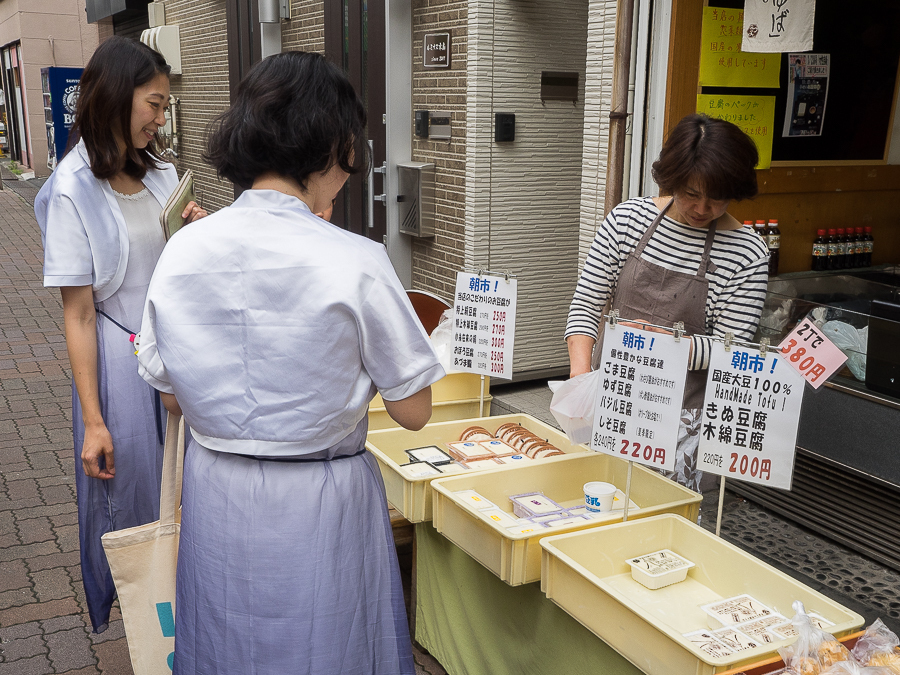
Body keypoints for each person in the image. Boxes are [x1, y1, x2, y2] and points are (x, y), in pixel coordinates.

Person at [136, 51, 444, 674]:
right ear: (331, 145)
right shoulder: (356, 259)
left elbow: (170, 394)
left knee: (227, 645)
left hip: (217, 485)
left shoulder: (182, 250)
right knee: (328, 648)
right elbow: (413, 411)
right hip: (321, 498)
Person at [34, 37, 205, 633]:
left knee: (187, 487)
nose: (161, 118)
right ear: (115, 97)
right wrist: (94, 419)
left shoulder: (156, 170)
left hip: (172, 348)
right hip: (119, 355)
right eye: (154, 104)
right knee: (129, 498)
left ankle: (189, 610)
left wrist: (191, 230)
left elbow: (173, 258)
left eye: (163, 107)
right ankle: (145, 623)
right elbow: (78, 313)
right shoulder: (71, 188)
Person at [565, 113, 769, 492]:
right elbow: (587, 304)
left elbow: (734, 349)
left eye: (717, 198)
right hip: (613, 400)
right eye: (691, 193)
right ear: (670, 179)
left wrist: (663, 346)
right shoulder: (628, 220)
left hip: (685, 423)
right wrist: (580, 376)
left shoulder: (747, 252)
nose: (702, 209)